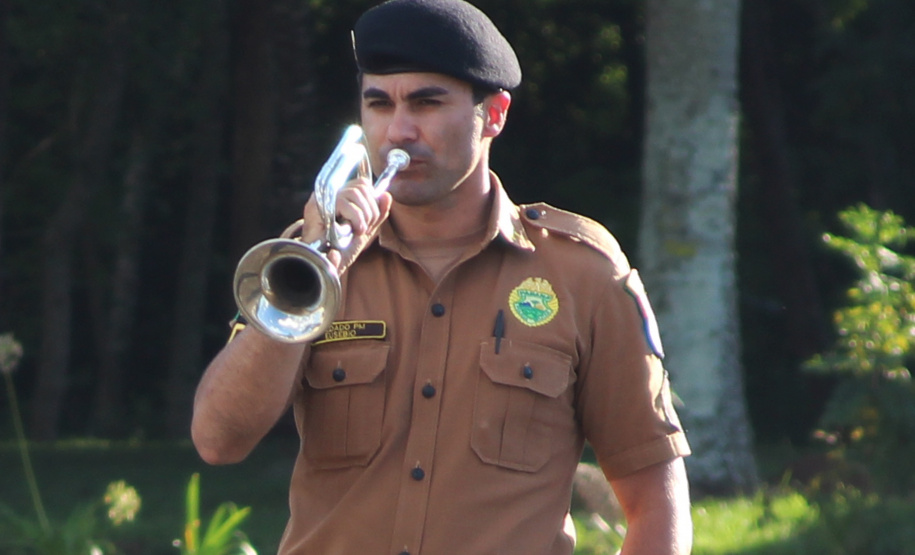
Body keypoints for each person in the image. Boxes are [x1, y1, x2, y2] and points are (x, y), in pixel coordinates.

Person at [191, 0, 693, 553]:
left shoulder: (580, 271)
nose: (399, 131)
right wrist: (316, 270)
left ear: (494, 114)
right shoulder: (306, 258)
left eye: (428, 103)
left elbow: (656, 502)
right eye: (378, 104)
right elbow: (218, 440)